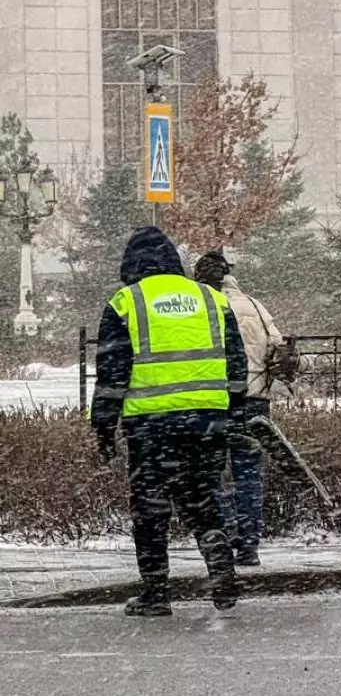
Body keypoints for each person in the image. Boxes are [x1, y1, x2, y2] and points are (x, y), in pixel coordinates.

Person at [90, 227, 249, 617]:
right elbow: (237, 364)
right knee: (202, 497)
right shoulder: (211, 299)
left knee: (151, 509)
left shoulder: (126, 302)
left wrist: (104, 426)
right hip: (208, 420)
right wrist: (235, 414)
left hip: (151, 425)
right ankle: (220, 564)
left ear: (130, 265)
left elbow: (112, 371)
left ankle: (156, 593)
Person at [194, 251, 285, 567]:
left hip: (217, 401)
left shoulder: (205, 307)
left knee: (212, 472)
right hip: (256, 401)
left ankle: (224, 536)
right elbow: (278, 347)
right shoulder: (256, 306)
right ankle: (249, 546)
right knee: (249, 475)